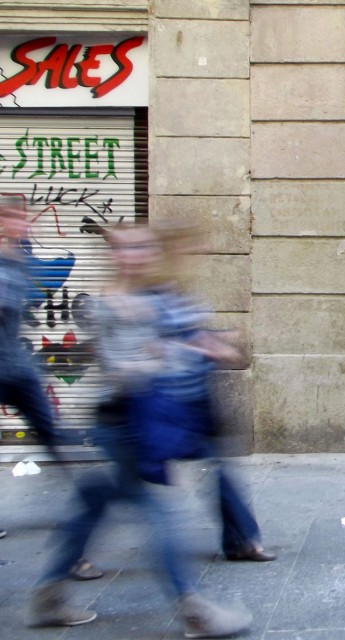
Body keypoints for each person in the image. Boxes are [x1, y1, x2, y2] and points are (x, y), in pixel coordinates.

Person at [28, 223, 252, 637]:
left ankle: (49, 593)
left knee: (95, 501)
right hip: (122, 423)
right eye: (128, 249)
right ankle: (194, 608)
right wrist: (166, 356)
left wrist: (201, 346)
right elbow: (117, 371)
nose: (138, 256)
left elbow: (179, 343)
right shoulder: (107, 307)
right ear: (115, 256)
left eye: (144, 248)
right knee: (162, 511)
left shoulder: (156, 297)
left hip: (147, 421)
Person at [152, 220, 275, 563]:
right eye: (189, 248)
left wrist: (216, 340)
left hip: (192, 399)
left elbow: (186, 335)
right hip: (163, 403)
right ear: (171, 251)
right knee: (118, 489)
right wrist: (206, 349)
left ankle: (241, 541)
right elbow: (154, 345)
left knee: (219, 469)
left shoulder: (178, 291)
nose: (197, 255)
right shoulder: (151, 294)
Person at [0, 199, 60, 545]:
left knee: (51, 432)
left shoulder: (18, 258)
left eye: (24, 218)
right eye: (15, 218)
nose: (24, 224)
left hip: (18, 369)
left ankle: (81, 507)